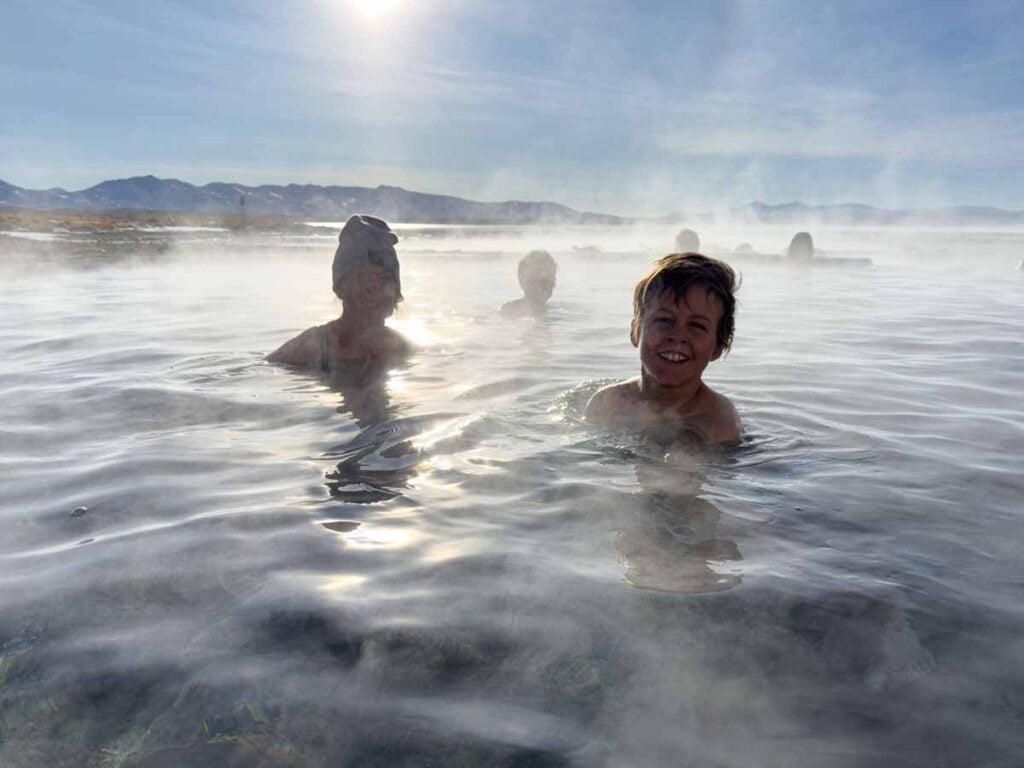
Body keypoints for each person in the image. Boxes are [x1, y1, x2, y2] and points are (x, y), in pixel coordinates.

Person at [585, 252, 741, 445]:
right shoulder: (606, 404)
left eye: (696, 326)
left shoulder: (719, 424)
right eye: (664, 320)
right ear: (636, 331)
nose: (677, 336)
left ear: (718, 347)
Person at [267, 214, 412, 368]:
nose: (377, 290)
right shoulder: (310, 348)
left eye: (385, 279)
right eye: (364, 278)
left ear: (397, 291)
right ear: (342, 288)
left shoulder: (401, 348)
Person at [500, 250, 557, 318]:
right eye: (539, 281)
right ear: (521, 279)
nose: (543, 287)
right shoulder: (507, 310)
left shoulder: (554, 312)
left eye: (548, 282)